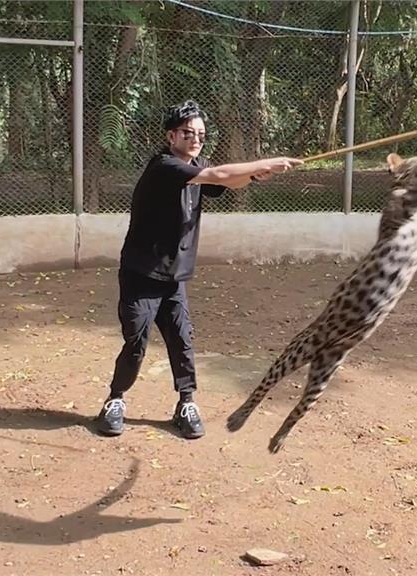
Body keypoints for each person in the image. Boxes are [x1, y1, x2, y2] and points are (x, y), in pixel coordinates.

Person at [97, 100, 303, 439]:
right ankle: (115, 399)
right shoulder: (165, 166)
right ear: (171, 136)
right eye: (189, 133)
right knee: (136, 342)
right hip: (142, 274)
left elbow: (226, 182)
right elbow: (216, 174)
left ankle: (186, 403)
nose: (196, 140)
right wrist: (267, 161)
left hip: (174, 276)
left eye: (201, 135)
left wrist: (253, 175)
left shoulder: (196, 165)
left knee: (182, 340)